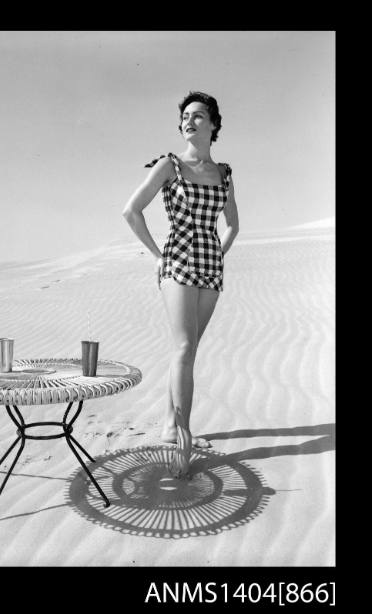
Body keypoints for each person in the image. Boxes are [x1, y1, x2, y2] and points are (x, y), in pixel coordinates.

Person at [122, 91, 240, 479]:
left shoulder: (224, 173)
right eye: (185, 116)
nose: (189, 121)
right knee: (185, 347)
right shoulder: (168, 166)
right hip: (178, 261)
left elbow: (233, 225)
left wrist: (218, 255)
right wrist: (158, 255)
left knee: (187, 352)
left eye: (198, 116)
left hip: (210, 267)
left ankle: (171, 425)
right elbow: (132, 211)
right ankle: (183, 437)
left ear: (213, 125)